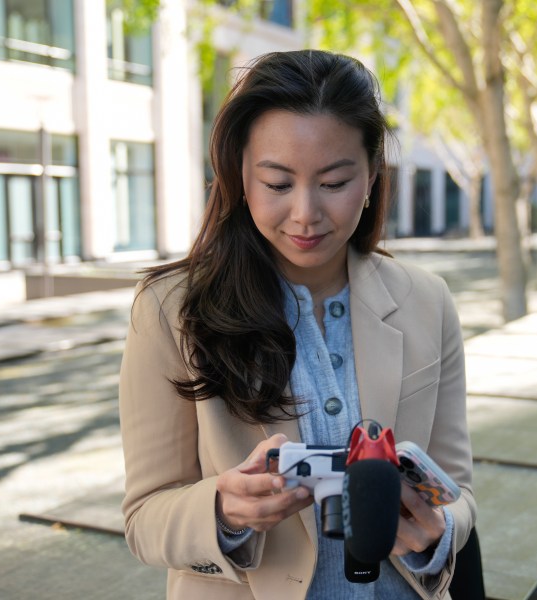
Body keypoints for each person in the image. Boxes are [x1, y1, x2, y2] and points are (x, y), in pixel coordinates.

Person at [119, 49, 476, 600]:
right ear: (241, 177)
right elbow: (145, 518)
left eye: (334, 183)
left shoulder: (427, 300)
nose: (306, 213)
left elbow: (458, 491)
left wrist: (437, 532)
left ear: (373, 176)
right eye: (279, 184)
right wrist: (223, 510)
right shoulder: (170, 310)